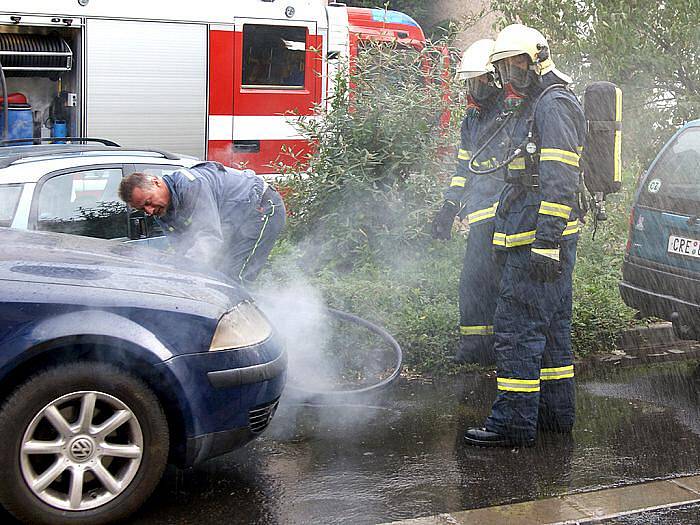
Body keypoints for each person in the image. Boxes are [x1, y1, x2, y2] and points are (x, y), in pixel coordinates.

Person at [463, 24, 586, 447]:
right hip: (532, 236)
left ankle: (512, 424)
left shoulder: (552, 105)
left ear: (532, 61)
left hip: (538, 240)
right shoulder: (535, 104)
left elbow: (561, 181)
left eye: (513, 67)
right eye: (502, 70)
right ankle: (554, 415)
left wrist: (547, 243)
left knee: (516, 329)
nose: (507, 78)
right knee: (551, 332)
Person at [431, 39, 504, 366]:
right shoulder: (472, 120)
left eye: (479, 81)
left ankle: (493, 346)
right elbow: (464, 167)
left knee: (494, 283)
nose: (474, 89)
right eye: (471, 82)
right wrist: (448, 207)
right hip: (480, 213)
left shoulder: (509, 115)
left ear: (495, 80)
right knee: (476, 280)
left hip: (505, 215)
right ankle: (479, 347)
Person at [118, 161, 285, 284]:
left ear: (156, 182)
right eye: (142, 209)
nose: (149, 211)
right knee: (217, 276)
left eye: (148, 202)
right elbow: (184, 247)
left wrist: (187, 273)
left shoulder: (191, 185)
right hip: (234, 221)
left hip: (261, 208)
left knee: (235, 280)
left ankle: (250, 328)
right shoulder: (161, 210)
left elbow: (209, 237)